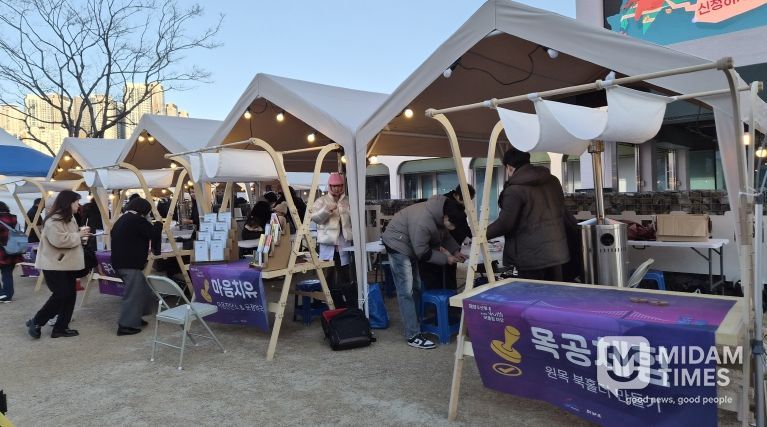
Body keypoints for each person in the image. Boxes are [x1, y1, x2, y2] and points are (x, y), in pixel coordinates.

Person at [381, 195, 466, 349]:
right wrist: (446, 259)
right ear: (446, 217)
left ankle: (416, 321)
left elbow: (445, 236)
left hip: (411, 243)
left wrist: (455, 251)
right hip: (397, 243)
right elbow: (422, 252)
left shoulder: (440, 212)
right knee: (406, 290)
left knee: (417, 286)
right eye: (452, 224)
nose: (453, 228)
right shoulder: (424, 221)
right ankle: (412, 335)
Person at [486, 146, 569, 281]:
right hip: (556, 250)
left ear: (509, 167)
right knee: (554, 291)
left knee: (532, 293)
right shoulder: (553, 181)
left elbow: (505, 223)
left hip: (531, 256)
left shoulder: (515, 190)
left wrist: (482, 234)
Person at [27, 190, 90, 339]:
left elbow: (68, 238)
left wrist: (81, 237)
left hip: (67, 263)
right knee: (62, 294)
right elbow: (59, 241)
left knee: (70, 295)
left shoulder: (69, 218)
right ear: (68, 203)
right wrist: (79, 235)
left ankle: (61, 327)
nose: (78, 205)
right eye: (76, 202)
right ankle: (37, 321)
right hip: (54, 264)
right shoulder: (54, 220)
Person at [111, 197, 162, 336]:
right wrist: (159, 223)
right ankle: (125, 326)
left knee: (142, 290)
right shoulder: (137, 220)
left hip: (121, 262)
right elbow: (153, 234)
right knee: (133, 295)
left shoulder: (123, 219)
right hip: (129, 264)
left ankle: (135, 317)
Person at [311, 173, 355, 307]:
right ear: (329, 186)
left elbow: (355, 219)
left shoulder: (348, 200)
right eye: (334, 186)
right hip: (328, 243)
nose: (337, 188)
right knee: (327, 273)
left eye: (340, 185)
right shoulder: (321, 201)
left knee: (345, 272)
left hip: (344, 241)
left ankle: (347, 301)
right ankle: (323, 300)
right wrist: (327, 210)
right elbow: (315, 218)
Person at [419, 185, 475, 291]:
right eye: (467, 200)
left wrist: (455, 251)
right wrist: (446, 257)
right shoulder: (434, 216)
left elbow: (448, 236)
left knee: (446, 272)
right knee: (434, 275)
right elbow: (423, 250)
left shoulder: (447, 215)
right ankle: (440, 295)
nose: (468, 203)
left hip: (440, 247)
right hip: (417, 249)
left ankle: (448, 293)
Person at [0, 202, 24, 302]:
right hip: (14, 250)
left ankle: (3, 294)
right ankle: (7, 295)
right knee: (7, 273)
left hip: (2, 252)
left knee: (6, 273)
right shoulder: (14, 218)